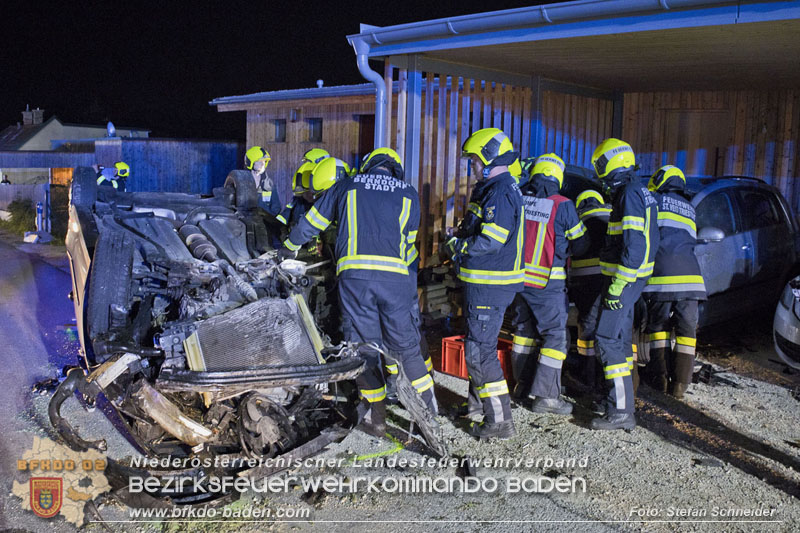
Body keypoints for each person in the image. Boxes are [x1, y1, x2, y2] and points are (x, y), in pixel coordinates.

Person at [281, 147, 436, 437]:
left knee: (364, 348)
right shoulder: (408, 192)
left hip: (356, 279)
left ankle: (375, 420)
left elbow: (312, 223)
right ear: (394, 169)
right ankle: (428, 419)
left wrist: (288, 248)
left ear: (366, 166)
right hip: (396, 281)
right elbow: (410, 244)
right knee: (405, 349)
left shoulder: (347, 185)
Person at [445, 127, 525, 440]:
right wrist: (461, 235)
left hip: (490, 285)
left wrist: (457, 247)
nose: (472, 167)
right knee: (478, 347)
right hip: (486, 284)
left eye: (475, 162)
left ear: (490, 159)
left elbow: (491, 241)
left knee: (480, 353)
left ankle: (500, 421)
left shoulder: (500, 191)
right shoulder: (495, 188)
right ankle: (477, 410)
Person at [589, 138, 659, 431]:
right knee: (617, 339)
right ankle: (619, 402)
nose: (599, 174)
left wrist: (618, 285)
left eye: (600, 167)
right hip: (630, 281)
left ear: (612, 164)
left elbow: (635, 244)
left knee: (607, 339)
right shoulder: (637, 190)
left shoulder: (629, 194)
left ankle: (620, 411)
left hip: (624, 281)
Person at [510, 153, 588, 414]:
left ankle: (521, 386)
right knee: (554, 336)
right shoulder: (563, 204)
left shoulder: (518, 198)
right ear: (558, 177)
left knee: (524, 333)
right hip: (548, 283)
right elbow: (581, 244)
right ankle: (546, 397)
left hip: (518, 282)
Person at [642, 165, 706, 398]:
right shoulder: (690, 208)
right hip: (691, 280)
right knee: (687, 331)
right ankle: (680, 384)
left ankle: (659, 378)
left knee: (658, 328)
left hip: (661, 276)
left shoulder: (654, 200)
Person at [569, 190, 612, 392]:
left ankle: (588, 375)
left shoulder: (577, 217)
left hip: (585, 278)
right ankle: (609, 377)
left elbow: (573, 248)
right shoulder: (612, 213)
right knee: (611, 326)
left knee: (587, 324)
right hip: (612, 277)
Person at [245, 146, 281, 217]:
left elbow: (276, 208)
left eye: (264, 161)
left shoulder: (270, 184)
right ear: (251, 162)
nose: (263, 164)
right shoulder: (242, 181)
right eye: (259, 161)